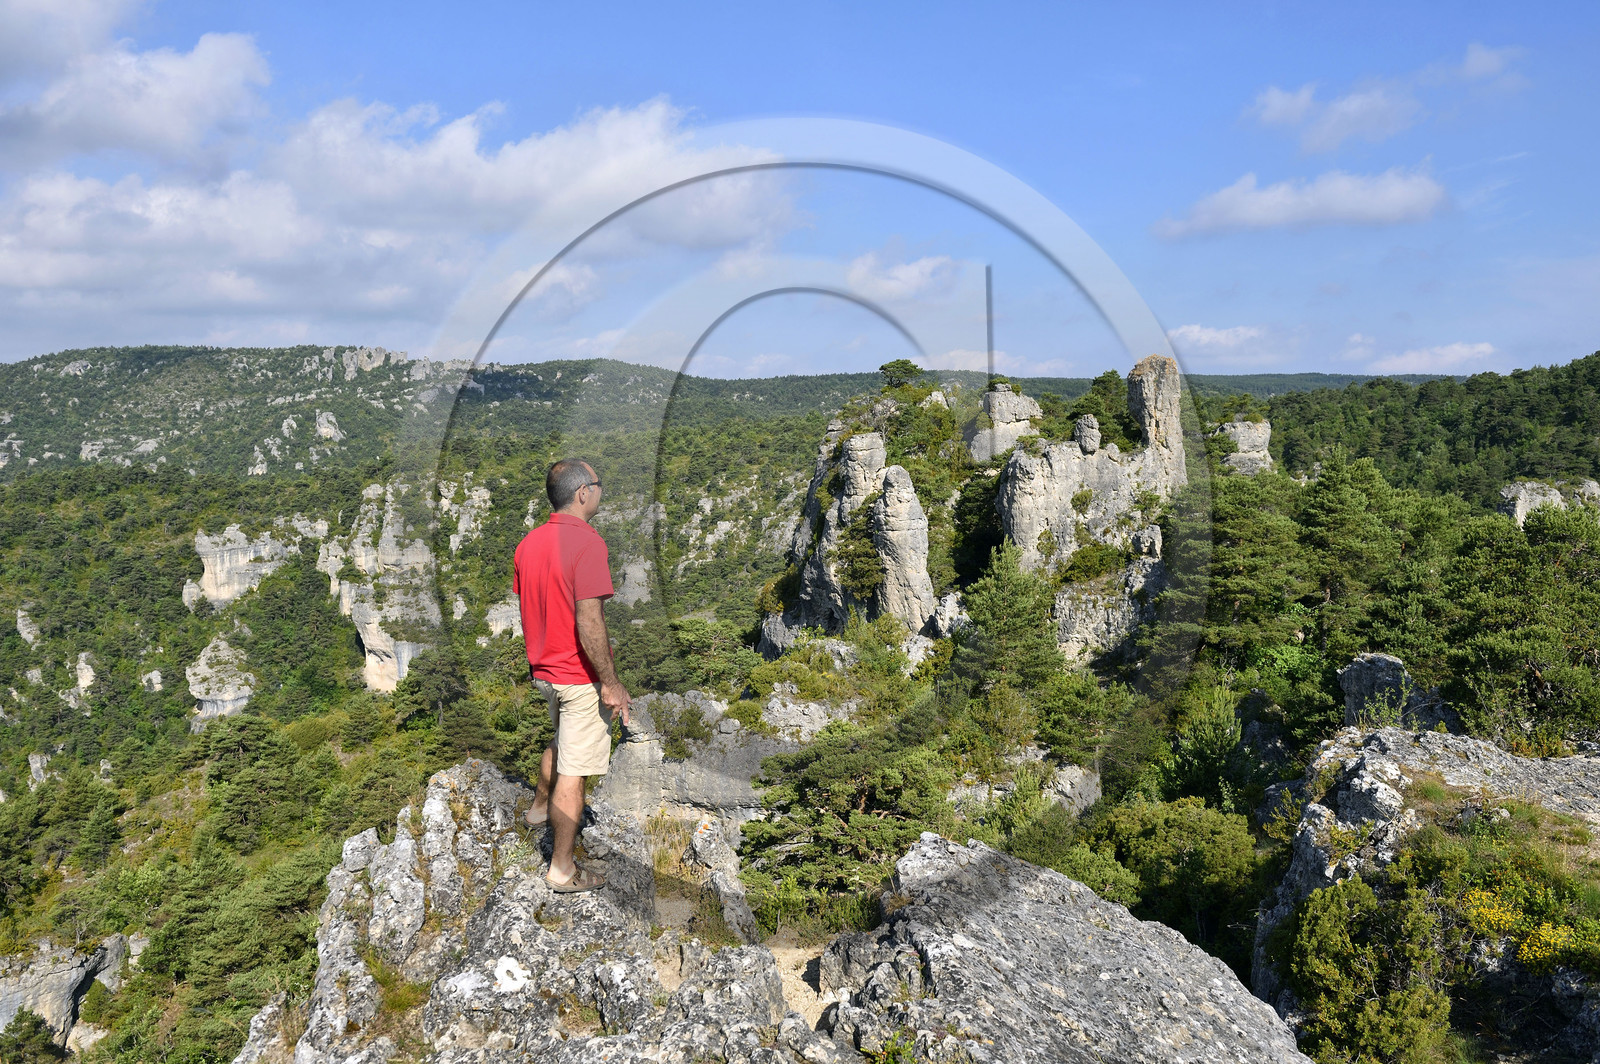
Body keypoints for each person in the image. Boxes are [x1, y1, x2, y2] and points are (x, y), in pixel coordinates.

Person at [513, 458, 632, 893]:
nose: (601, 492)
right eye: (599, 486)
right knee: (575, 771)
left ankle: (538, 811)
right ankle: (562, 868)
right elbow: (589, 620)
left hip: (544, 671)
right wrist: (610, 683)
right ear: (584, 493)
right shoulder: (588, 544)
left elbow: (534, 606)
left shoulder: (529, 544)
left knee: (561, 741)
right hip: (577, 676)